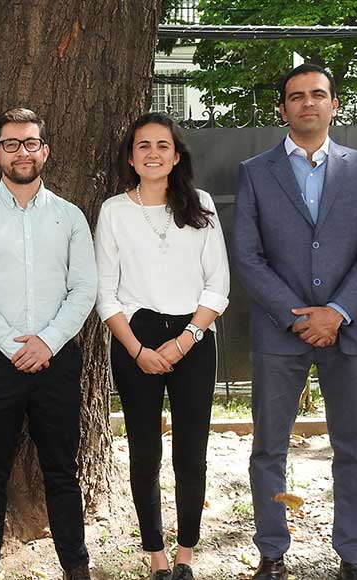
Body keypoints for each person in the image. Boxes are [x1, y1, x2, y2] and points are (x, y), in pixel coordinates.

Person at [230, 63, 357, 580]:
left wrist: (337, 312)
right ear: (282, 108)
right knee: (268, 449)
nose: (308, 102)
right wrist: (296, 315)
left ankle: (354, 556)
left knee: (353, 449)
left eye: (318, 94)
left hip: (350, 329)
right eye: (297, 96)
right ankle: (272, 552)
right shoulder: (255, 171)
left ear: (334, 104)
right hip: (280, 332)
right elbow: (248, 254)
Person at [0, 108, 97, 580]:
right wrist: (13, 345)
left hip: (56, 361)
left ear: (45, 152)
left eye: (31, 143)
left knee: (62, 471)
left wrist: (47, 343)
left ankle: (76, 566)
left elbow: (84, 289)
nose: (22, 152)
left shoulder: (69, 217)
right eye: (11, 144)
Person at [94, 113, 229, 580]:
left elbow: (218, 284)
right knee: (144, 452)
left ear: (176, 156)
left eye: (162, 146)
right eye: (143, 146)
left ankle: (186, 553)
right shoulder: (114, 211)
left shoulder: (200, 204)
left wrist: (187, 339)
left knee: (191, 452)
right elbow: (105, 293)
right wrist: (137, 349)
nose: (153, 153)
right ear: (131, 158)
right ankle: (155, 555)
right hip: (137, 338)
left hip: (194, 336)